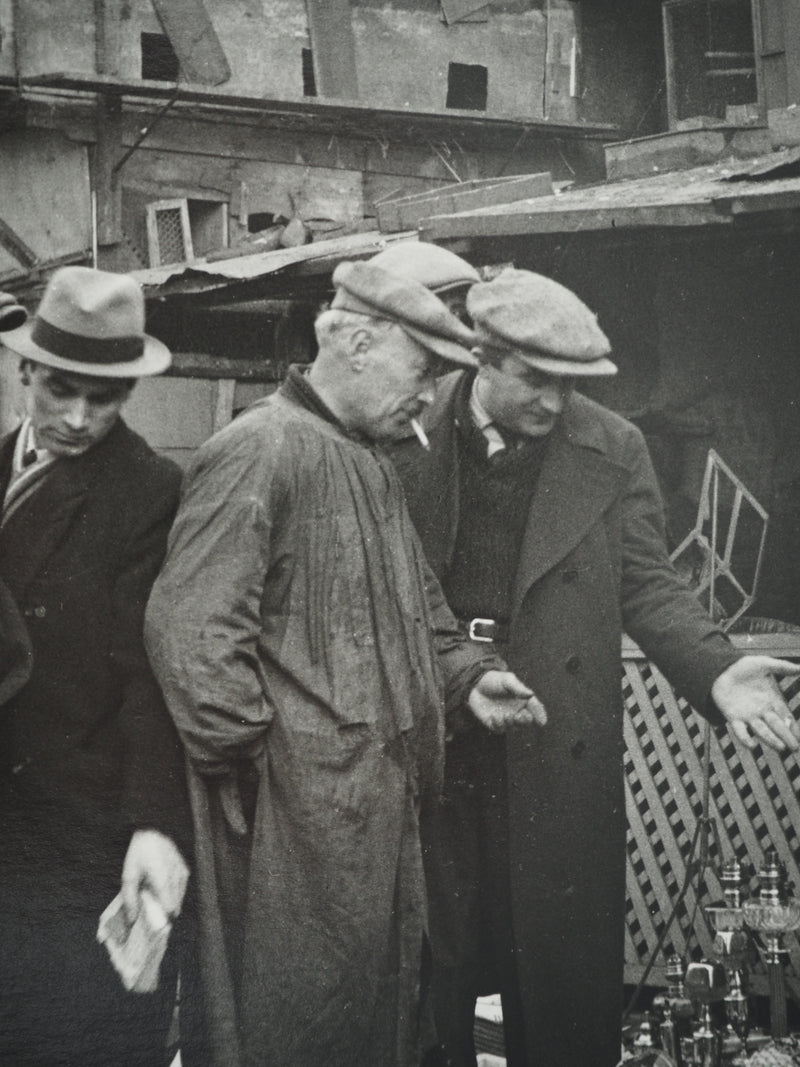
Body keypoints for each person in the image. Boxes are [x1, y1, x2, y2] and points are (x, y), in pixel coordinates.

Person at [387, 266, 800, 1067]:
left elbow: (648, 579)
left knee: (558, 989)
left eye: (568, 384)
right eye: (534, 379)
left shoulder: (611, 447)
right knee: (423, 985)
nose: (552, 401)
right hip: (431, 734)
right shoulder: (405, 430)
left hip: (549, 734)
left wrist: (715, 669)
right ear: (481, 356)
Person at [143, 260, 546, 1067]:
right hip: (290, 842)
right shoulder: (258, 449)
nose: (431, 395)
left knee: (371, 1032)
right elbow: (188, 632)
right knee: (290, 1032)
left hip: (369, 832)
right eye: (423, 369)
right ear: (358, 342)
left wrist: (469, 676)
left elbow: (424, 618)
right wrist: (275, 767)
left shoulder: (372, 464)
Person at [0, 266, 190, 1066]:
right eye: (61, 390)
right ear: (25, 371)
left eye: (105, 399)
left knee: (70, 1034)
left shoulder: (147, 490)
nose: (78, 418)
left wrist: (151, 821)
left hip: (74, 824)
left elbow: (150, 672)